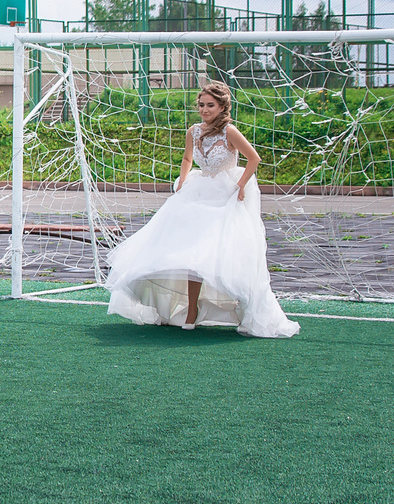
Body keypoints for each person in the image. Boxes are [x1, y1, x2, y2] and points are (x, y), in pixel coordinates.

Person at [103, 81, 301, 338]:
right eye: (201, 105)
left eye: (210, 105)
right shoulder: (193, 131)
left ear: (222, 107)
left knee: (225, 252)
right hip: (198, 192)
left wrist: (241, 186)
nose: (205, 109)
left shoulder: (230, 132)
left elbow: (254, 159)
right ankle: (190, 311)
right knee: (190, 253)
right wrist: (183, 180)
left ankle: (241, 307)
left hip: (223, 196)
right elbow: (187, 158)